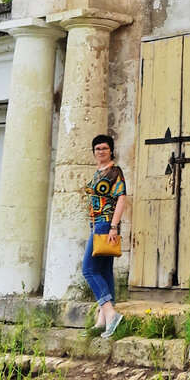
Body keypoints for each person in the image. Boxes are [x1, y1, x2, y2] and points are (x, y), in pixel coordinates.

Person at [82, 133, 127, 337]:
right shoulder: (98, 172)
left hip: (106, 224)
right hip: (97, 224)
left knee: (89, 270)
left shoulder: (114, 172)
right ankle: (103, 319)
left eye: (104, 148)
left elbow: (121, 199)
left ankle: (111, 313)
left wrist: (114, 227)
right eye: (97, 149)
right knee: (104, 270)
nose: (100, 151)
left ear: (111, 150)